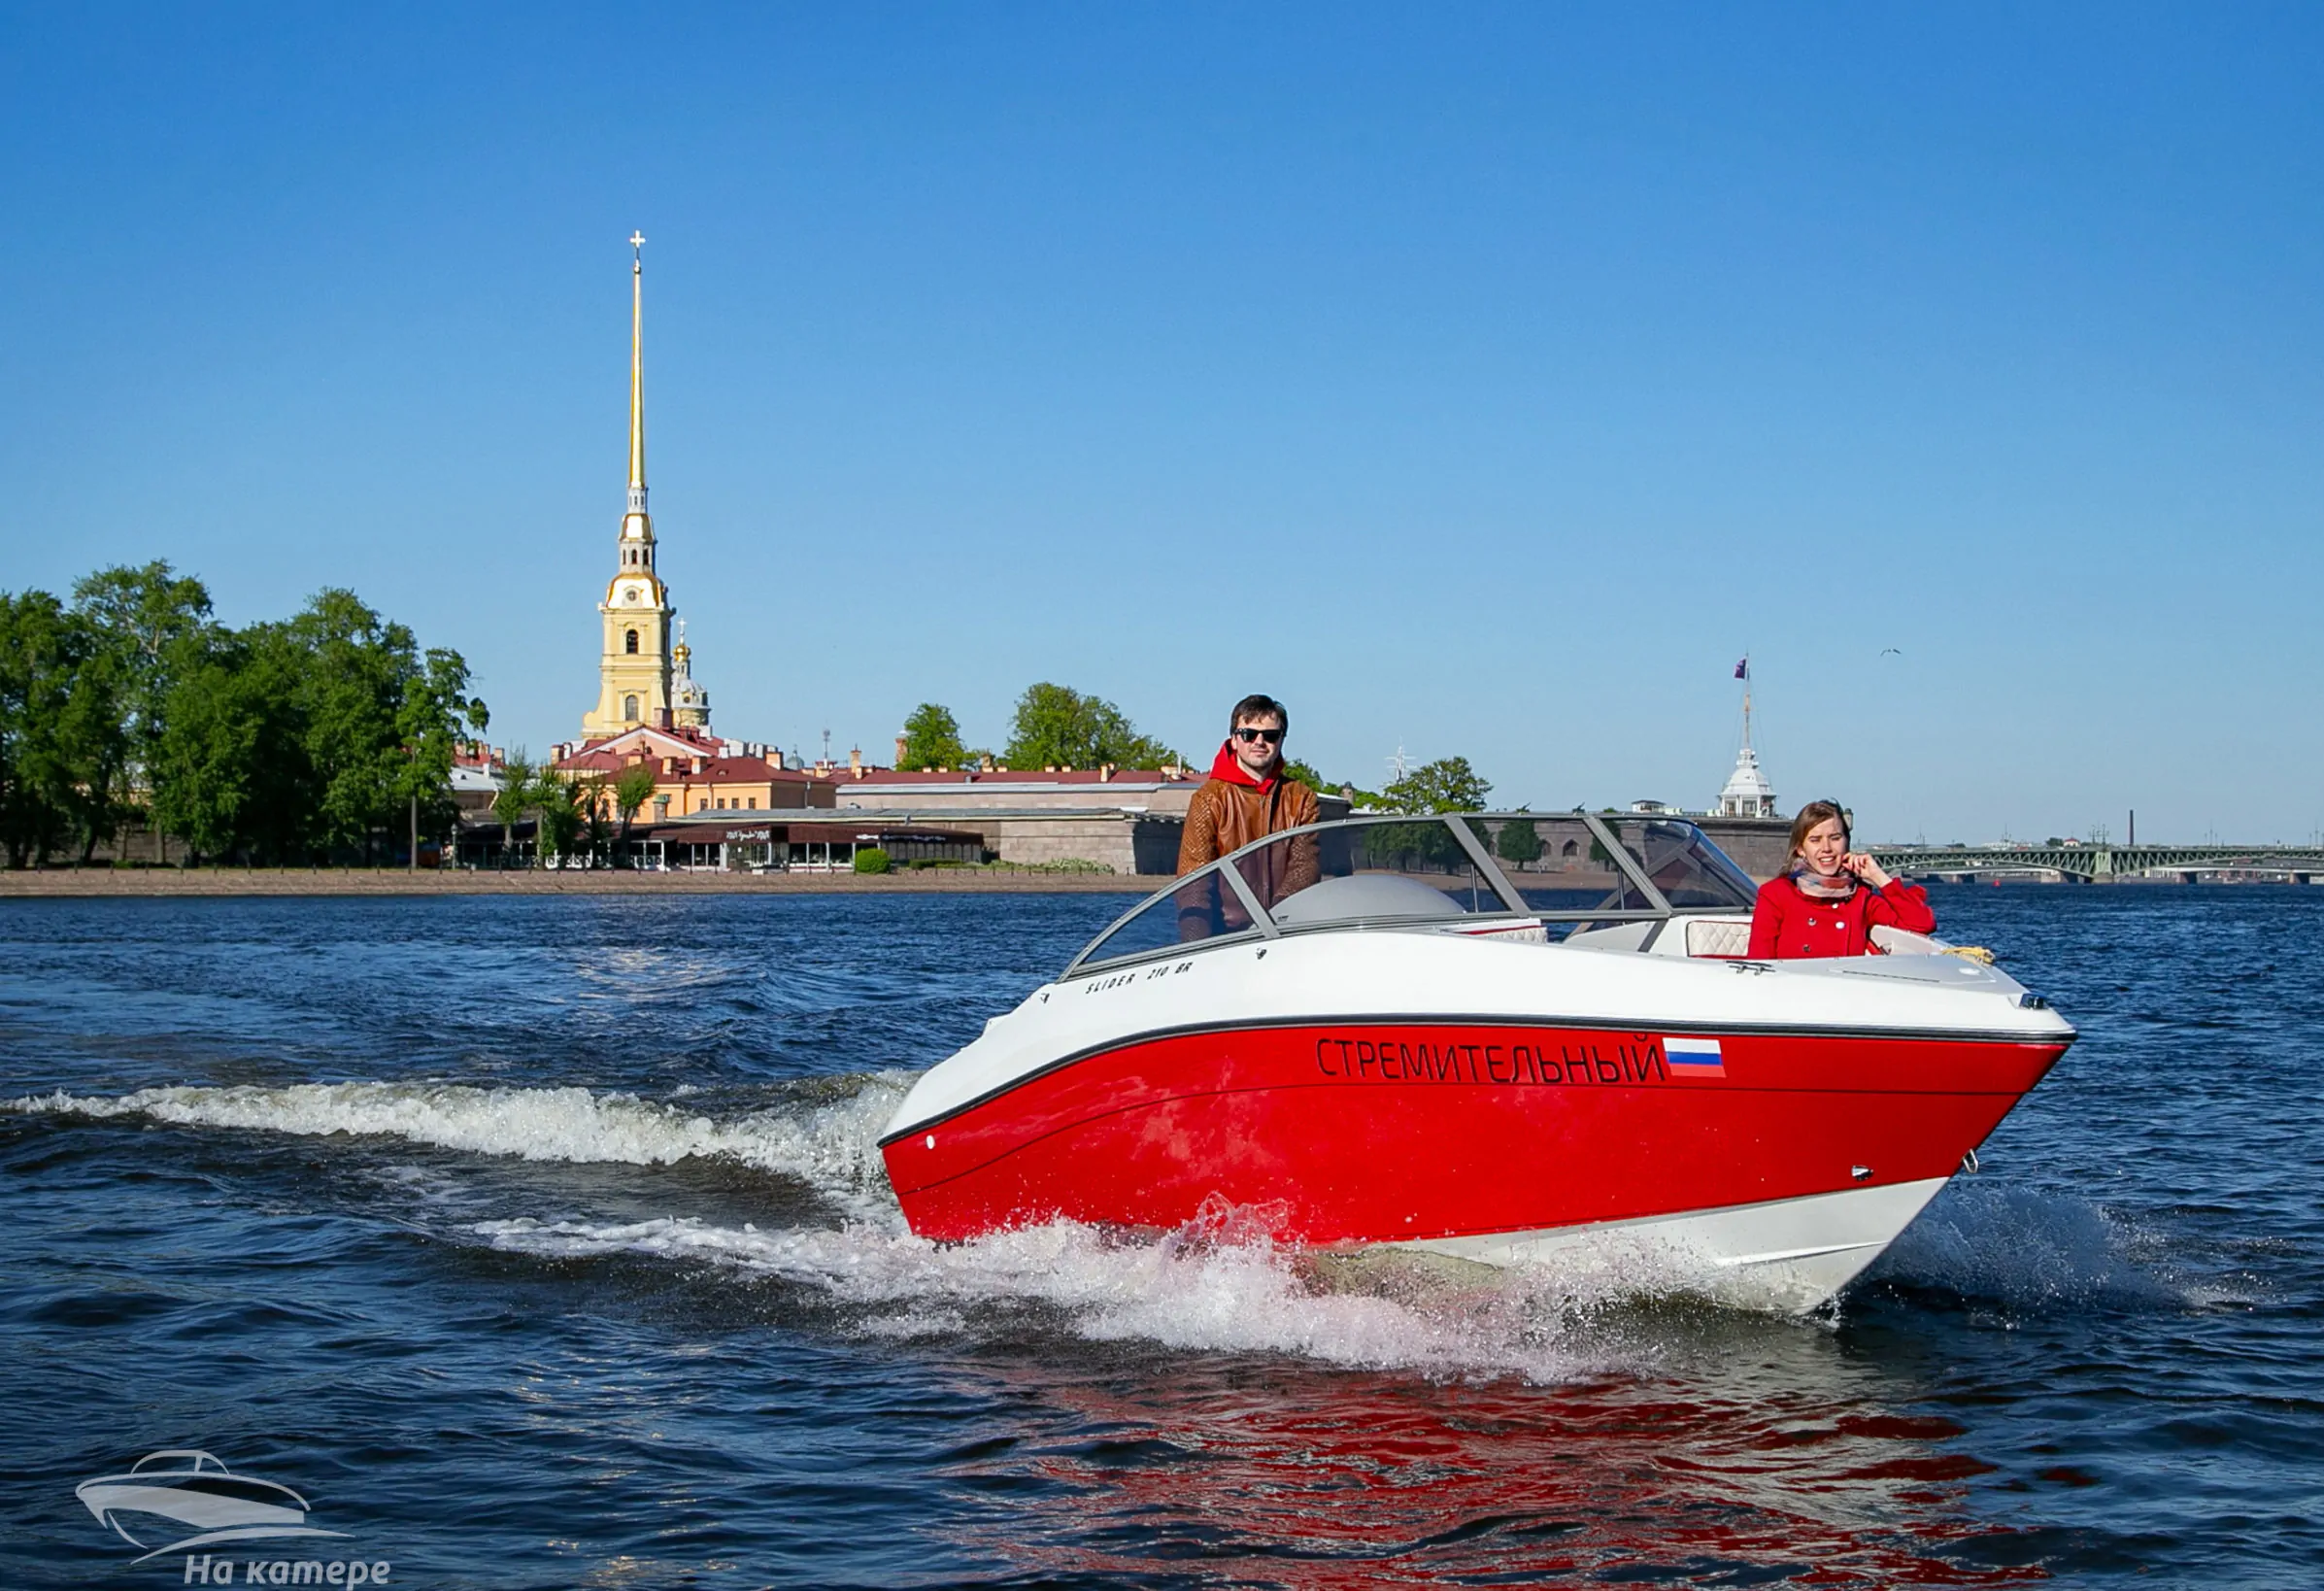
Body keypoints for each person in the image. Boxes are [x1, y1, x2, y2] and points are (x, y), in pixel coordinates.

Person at [1176, 694, 1320, 926]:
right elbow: (1194, 880)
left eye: (1270, 736)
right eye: (1249, 734)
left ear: (1282, 740)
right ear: (1234, 739)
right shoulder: (1209, 798)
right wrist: (1194, 939)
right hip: (1224, 935)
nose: (1259, 742)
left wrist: (1275, 923)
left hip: (1286, 929)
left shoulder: (1302, 798)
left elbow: (1304, 867)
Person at [1746, 799, 1935, 960]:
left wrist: (1878, 876)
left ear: (1847, 842)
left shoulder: (1859, 897)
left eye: (1835, 838)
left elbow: (1921, 924)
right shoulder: (1777, 894)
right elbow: (1759, 963)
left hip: (1845, 995)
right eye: (1815, 840)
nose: (1826, 848)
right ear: (1800, 849)